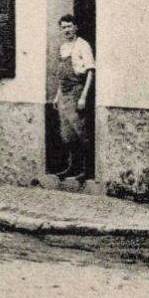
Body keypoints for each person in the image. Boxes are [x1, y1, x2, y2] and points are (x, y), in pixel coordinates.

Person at [53, 14, 95, 180]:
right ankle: (72, 167)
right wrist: (57, 96)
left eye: (69, 26)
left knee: (81, 131)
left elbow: (91, 71)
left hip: (77, 90)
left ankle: (87, 169)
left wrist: (83, 96)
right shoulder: (63, 48)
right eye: (63, 27)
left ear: (76, 27)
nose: (67, 30)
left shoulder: (83, 45)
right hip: (64, 93)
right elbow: (61, 76)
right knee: (67, 133)